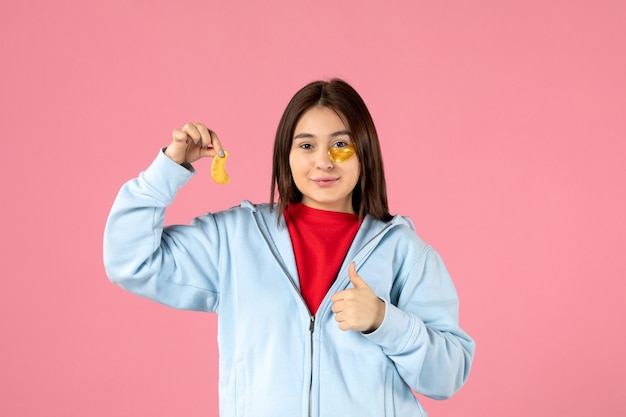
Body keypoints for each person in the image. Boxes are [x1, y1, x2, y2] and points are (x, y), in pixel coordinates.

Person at [103, 78, 475, 417]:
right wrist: (168, 168)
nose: (324, 161)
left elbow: (448, 376)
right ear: (287, 154)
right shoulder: (234, 240)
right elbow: (129, 261)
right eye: (307, 145)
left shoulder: (404, 253)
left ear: (364, 152)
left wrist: (383, 320)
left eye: (341, 145)